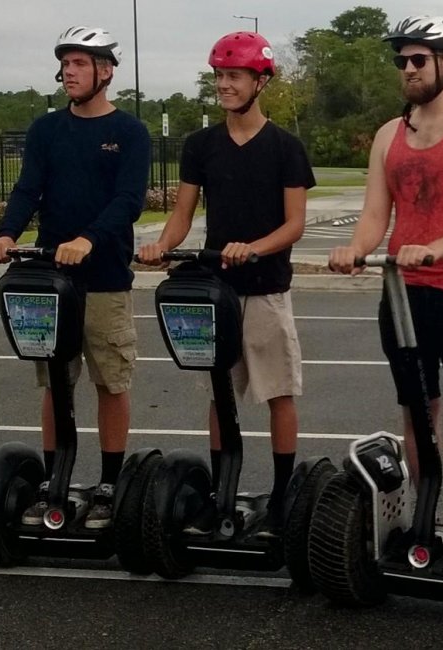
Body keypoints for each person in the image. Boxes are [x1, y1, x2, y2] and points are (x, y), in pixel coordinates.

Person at [327, 15, 443, 570]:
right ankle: (422, 519)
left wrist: (435, 248)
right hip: (404, 295)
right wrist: (354, 249)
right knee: (416, 410)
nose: (408, 69)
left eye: (419, 59)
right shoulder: (389, 134)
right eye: (402, 61)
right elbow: (373, 216)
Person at [137, 31, 315, 536]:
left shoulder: (285, 148)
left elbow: (295, 225)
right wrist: (161, 245)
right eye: (218, 76)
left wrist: (254, 247)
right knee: (220, 394)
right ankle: (222, 493)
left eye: (234, 76)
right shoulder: (202, 146)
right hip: (217, 291)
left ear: (261, 82)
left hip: (265, 288)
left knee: (279, 392)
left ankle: (282, 496)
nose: (223, 85)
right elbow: (182, 214)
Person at [0, 25, 151, 530]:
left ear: (106, 71)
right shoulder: (46, 130)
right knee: (56, 382)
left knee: (109, 381)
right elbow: (27, 188)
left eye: (80, 64)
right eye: (65, 64)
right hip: (51, 279)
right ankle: (54, 480)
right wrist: (7, 234)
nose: (69, 73)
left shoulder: (129, 132)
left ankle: (109, 483)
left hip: (104, 277)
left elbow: (129, 201)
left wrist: (88, 239)